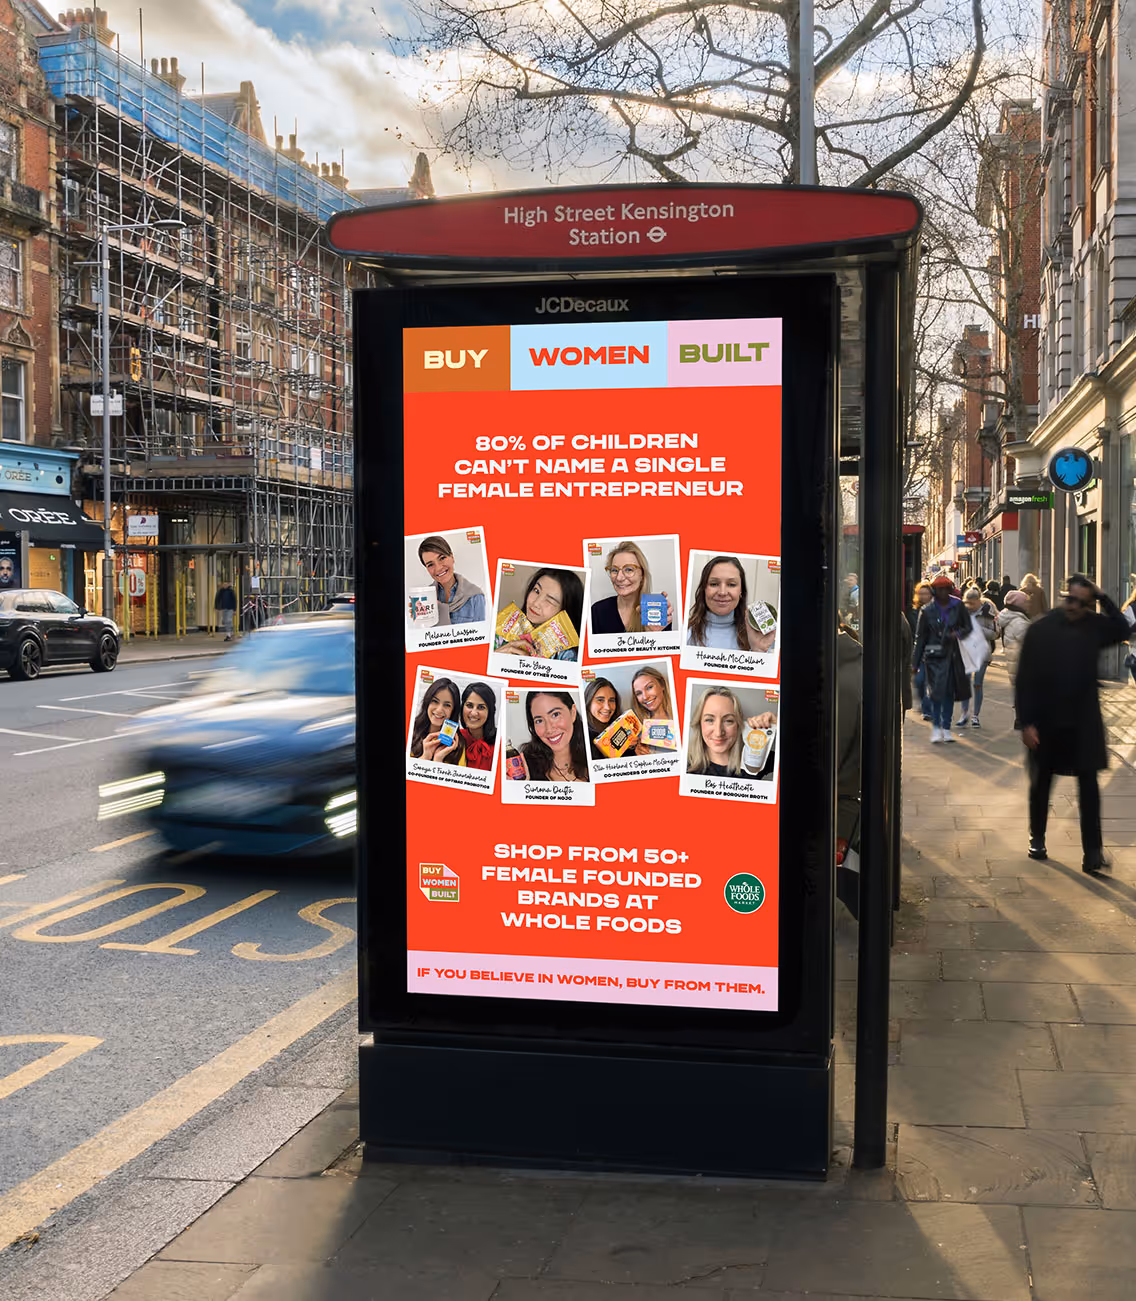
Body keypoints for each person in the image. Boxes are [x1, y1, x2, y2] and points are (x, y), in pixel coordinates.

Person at [1016, 574, 1129, 872]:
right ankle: (1037, 837)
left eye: (1081, 602)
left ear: (1089, 604)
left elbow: (1122, 628)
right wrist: (1025, 723)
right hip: (1046, 720)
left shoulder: (1095, 626)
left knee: (1089, 787)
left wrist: (1104, 596)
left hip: (1083, 721)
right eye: (1070, 599)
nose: (1073, 606)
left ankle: (1092, 853)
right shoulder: (1041, 628)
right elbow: (1024, 678)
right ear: (1063, 596)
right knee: (1041, 783)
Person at [911, 574, 972, 743]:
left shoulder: (958, 606)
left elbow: (968, 626)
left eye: (946, 589)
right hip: (933, 657)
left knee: (949, 693)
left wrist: (956, 634)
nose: (943, 593)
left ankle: (946, 727)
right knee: (936, 692)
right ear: (934, 591)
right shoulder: (927, 610)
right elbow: (920, 638)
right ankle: (937, 727)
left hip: (953, 656)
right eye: (939, 590)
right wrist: (915, 663)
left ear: (951, 590)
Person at [686, 685, 776, 779]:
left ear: (738, 724)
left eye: (728, 721)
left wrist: (780, 722)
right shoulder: (683, 766)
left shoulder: (756, 756)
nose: (718, 733)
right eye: (709, 720)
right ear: (699, 723)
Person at [686, 555, 773, 652]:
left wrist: (758, 650)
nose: (722, 592)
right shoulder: (685, 634)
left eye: (731, 584)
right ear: (704, 589)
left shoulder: (758, 635)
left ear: (741, 591)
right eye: (714, 584)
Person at [497, 568, 584, 660]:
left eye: (550, 600)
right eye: (536, 590)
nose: (535, 603)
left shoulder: (569, 656)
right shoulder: (501, 630)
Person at [590, 541, 673, 635]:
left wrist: (653, 634)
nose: (619, 577)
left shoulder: (657, 610)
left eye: (629, 569)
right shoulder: (597, 611)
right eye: (614, 570)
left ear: (642, 575)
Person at [508, 691, 591, 782]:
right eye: (539, 721)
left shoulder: (597, 753)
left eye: (555, 714)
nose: (549, 729)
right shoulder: (526, 769)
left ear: (573, 713)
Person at [417, 535, 486, 625]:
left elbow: (481, 635)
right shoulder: (424, 599)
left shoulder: (475, 597)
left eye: (442, 558)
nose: (438, 568)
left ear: (452, 557)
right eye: (430, 565)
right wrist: (417, 622)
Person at [959, 586, 997, 728]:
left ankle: (975, 715)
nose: (970, 606)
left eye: (972, 603)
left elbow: (995, 633)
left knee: (977, 683)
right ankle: (964, 713)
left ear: (978, 601)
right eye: (967, 603)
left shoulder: (988, 613)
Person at [439, 681, 497, 770]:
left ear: (490, 712)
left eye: (481, 707)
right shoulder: (452, 737)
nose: (473, 713)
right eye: (469, 705)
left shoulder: (500, 744)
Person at [409, 677, 460, 761]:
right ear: (427, 702)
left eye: (447, 705)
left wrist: (437, 760)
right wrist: (425, 757)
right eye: (435, 701)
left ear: (453, 710)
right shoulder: (410, 730)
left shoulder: (459, 744)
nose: (439, 710)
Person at [629, 665, 675, 754]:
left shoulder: (682, 716)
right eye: (638, 693)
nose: (645, 697)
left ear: (662, 685)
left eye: (649, 687)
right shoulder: (637, 728)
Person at [909, 582, 935, 722]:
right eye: (921, 593)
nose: (924, 596)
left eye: (926, 593)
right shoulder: (914, 611)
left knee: (929, 683)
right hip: (919, 650)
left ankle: (927, 710)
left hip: (933, 652)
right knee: (919, 681)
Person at [996, 590, 1030, 682]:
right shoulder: (1019, 622)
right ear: (1018, 604)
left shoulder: (1008, 616)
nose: (1028, 604)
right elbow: (1031, 642)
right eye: (1025, 602)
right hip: (1023, 666)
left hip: (1014, 664)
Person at [584, 677, 621, 760]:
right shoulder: (583, 736)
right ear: (588, 702)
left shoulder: (620, 727)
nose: (607, 707)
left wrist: (632, 749)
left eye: (611, 700)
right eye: (600, 700)